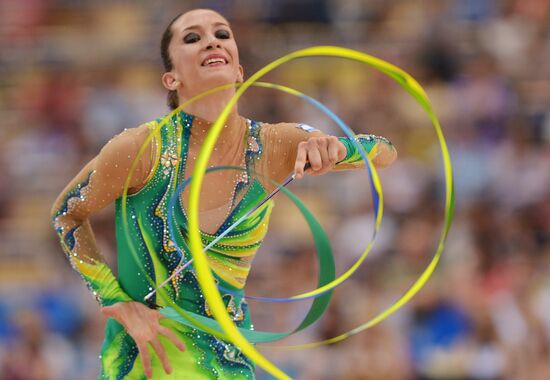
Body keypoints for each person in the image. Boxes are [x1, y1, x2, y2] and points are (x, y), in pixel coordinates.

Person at [50, 8, 396, 379]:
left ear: (239, 70)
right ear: (171, 78)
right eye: (192, 38)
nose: (212, 40)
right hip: (145, 362)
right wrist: (115, 300)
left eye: (222, 33)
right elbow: (66, 214)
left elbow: (384, 151)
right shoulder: (141, 149)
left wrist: (337, 149)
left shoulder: (273, 146)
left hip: (226, 364)